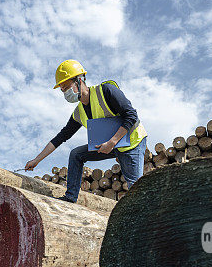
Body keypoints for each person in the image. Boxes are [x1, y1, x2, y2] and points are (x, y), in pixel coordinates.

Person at [25, 59, 148, 202]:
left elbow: (132, 116)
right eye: (62, 90)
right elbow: (61, 137)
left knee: (136, 189)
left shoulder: (106, 91)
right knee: (76, 154)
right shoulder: (79, 112)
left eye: (66, 86)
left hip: (132, 142)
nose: (65, 92)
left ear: (79, 80)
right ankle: (70, 197)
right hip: (109, 144)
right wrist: (36, 160)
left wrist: (113, 142)